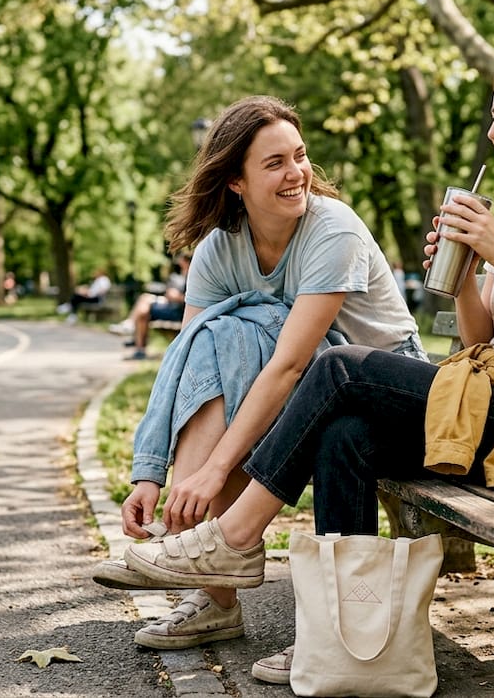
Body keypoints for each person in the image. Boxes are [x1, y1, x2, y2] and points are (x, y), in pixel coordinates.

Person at [108, 50, 494, 685]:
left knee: (339, 368)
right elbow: (481, 337)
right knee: (347, 438)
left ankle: (232, 538)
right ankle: (335, 636)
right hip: (484, 399)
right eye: (493, 117)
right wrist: (469, 277)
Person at [91, 95, 428, 655]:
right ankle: (213, 598)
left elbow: (294, 363)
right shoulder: (219, 250)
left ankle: (205, 546)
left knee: (255, 329)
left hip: (382, 391)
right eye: (275, 164)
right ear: (235, 183)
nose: (297, 174)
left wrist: (211, 471)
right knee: (216, 339)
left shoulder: (332, 229)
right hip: (302, 392)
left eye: (298, 156)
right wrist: (148, 473)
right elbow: (188, 362)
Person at [109, 252, 192, 360]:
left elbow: (186, 298)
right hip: (176, 307)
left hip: (180, 311)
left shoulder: (192, 275)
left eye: (182, 260)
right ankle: (133, 333)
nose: (180, 263)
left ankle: (134, 336)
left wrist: (176, 296)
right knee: (145, 302)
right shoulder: (181, 276)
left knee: (144, 308)